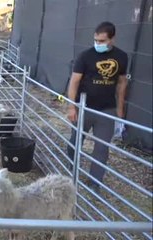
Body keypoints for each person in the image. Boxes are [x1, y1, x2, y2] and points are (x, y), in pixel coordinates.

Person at [66, 21, 128, 191]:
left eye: (102, 41)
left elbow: (122, 83)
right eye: (95, 40)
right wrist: (72, 106)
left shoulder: (122, 57)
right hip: (84, 107)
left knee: (102, 147)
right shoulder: (85, 56)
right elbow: (74, 81)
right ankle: (70, 168)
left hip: (107, 109)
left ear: (112, 39)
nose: (97, 44)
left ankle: (95, 182)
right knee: (76, 140)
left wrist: (120, 109)